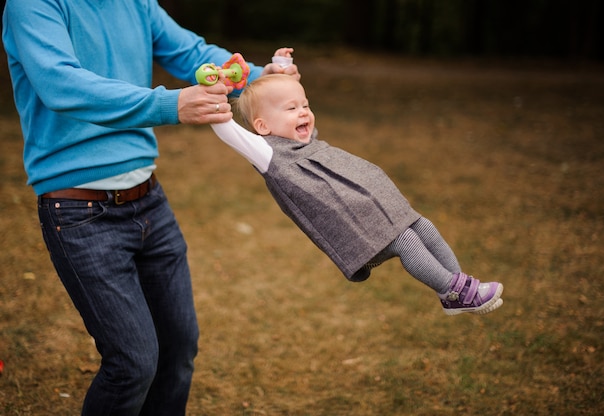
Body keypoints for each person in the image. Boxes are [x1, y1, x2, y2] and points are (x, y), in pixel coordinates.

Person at [2, 0, 299, 414]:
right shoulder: (32, 5)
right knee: (132, 365)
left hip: (149, 201)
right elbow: (61, 84)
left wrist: (261, 76)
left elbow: (191, 53)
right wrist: (170, 105)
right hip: (78, 213)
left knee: (178, 351)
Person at [210, 61, 504, 317]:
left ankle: (460, 289)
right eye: (292, 109)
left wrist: (282, 65)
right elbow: (227, 129)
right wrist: (216, 91)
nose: (303, 113)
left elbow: (289, 91)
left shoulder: (304, 139)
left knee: (423, 226)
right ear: (262, 126)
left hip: (367, 204)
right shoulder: (267, 152)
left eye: (306, 105)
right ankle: (452, 291)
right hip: (348, 220)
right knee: (405, 241)